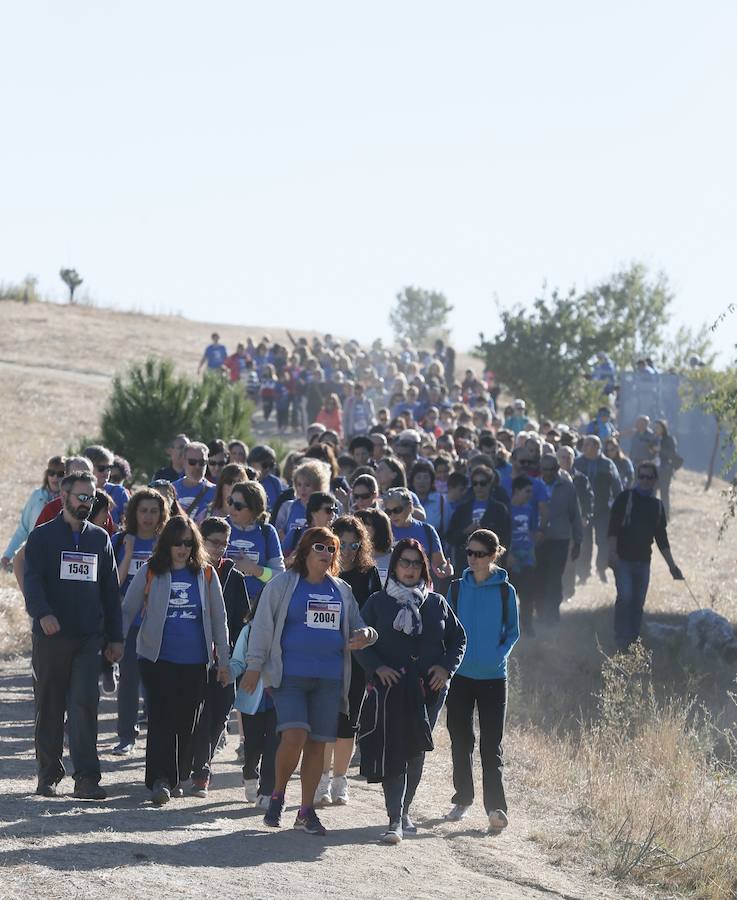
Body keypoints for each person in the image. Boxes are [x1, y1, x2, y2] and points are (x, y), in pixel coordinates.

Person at [240, 527, 377, 836]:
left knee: (317, 745)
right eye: (320, 547)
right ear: (304, 551)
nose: (327, 553)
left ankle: (305, 812)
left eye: (332, 548)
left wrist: (367, 635)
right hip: (290, 676)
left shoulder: (341, 590)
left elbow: (360, 627)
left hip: (329, 679)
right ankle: (277, 794)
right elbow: (262, 626)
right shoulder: (282, 585)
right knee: (295, 735)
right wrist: (254, 666)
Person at [356, 539, 466, 844]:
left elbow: (458, 639)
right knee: (395, 750)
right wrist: (376, 667)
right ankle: (394, 819)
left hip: (429, 690)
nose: (410, 568)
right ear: (394, 567)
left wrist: (445, 668)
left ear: (424, 568)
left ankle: (404, 811)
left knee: (416, 749)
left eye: (416, 563)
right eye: (404, 562)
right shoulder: (378, 602)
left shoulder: (436, 603)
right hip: (391, 689)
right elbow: (358, 641)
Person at [23, 471, 123, 799]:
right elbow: (32, 579)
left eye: (90, 498)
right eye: (81, 497)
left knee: (84, 704)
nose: (86, 503)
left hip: (88, 638)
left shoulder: (99, 539)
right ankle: (48, 774)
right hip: (51, 637)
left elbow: (110, 591)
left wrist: (115, 636)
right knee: (49, 706)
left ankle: (87, 778)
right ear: (64, 497)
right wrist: (42, 613)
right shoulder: (42, 537)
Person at [121, 516, 230, 805]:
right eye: (176, 543)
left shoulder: (206, 574)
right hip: (156, 658)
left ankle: (177, 775)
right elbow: (127, 609)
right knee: (160, 718)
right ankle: (160, 779)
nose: (182, 548)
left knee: (187, 723)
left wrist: (224, 661)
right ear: (165, 544)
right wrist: (115, 643)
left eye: (187, 543)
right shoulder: (151, 571)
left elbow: (219, 620)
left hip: (195, 661)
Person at [444, 529, 519, 832]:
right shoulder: (457, 589)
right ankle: (463, 798)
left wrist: (497, 656)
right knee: (460, 740)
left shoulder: (506, 591)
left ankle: (496, 809)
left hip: (493, 678)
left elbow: (512, 631)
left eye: (479, 554)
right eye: (469, 553)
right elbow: (447, 627)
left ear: (492, 555)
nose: (472, 558)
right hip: (459, 676)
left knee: (491, 746)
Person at [315, 516, 382, 807]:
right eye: (343, 545)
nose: (349, 551)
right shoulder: (320, 573)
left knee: (348, 721)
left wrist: (367, 636)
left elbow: (376, 614)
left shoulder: (369, 573)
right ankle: (321, 780)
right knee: (324, 721)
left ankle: (340, 780)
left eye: (356, 545)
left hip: (357, 658)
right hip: (323, 657)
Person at [190, 517, 251, 797]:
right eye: (214, 543)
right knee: (200, 713)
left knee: (222, 709)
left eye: (225, 545)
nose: (220, 550)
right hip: (193, 656)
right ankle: (201, 770)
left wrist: (234, 657)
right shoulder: (190, 571)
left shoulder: (233, 576)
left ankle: (203, 759)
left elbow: (241, 622)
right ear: (201, 541)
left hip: (225, 658)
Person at [111, 487, 170, 755]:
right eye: (143, 510)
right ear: (133, 512)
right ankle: (126, 735)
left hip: (161, 624)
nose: (148, 516)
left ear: (162, 514)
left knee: (158, 683)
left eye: (154, 511)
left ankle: (160, 736)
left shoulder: (169, 543)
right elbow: (112, 585)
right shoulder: (119, 540)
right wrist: (129, 551)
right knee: (129, 681)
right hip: (128, 623)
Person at [608, 462, 684, 650]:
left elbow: (662, 540)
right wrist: (612, 553)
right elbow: (612, 529)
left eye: (649, 477)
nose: (644, 480)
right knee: (625, 597)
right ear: (637, 478)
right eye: (641, 476)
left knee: (637, 603)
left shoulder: (657, 506)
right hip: (623, 560)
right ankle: (621, 641)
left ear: (655, 481)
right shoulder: (625, 499)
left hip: (643, 562)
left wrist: (672, 566)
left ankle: (632, 641)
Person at [536, 456, 582, 624]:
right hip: (539, 540)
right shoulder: (534, 486)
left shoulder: (567, 487)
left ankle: (553, 614)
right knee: (540, 577)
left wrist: (578, 541)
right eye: (544, 469)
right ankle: (540, 613)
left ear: (557, 469)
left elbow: (575, 515)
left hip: (560, 539)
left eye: (551, 469)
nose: (547, 472)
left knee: (555, 577)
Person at [224, 481, 285, 602]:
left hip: (257, 604)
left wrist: (254, 569)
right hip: (224, 602)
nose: (231, 508)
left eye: (238, 506)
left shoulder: (267, 532)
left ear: (253, 509)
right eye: (230, 501)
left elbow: (280, 576)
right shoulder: (220, 527)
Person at [573, 436, 622, 585]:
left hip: (603, 510)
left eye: (587, 445)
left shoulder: (607, 464)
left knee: (604, 541)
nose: (584, 447)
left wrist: (617, 505)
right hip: (584, 510)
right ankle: (583, 574)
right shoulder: (577, 463)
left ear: (596, 446)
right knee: (585, 542)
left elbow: (617, 486)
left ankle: (601, 568)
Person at [2, 455, 65, 571]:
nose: (55, 477)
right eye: (51, 472)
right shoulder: (37, 496)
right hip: (35, 555)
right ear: (47, 474)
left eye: (61, 474)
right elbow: (23, 529)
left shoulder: (70, 501)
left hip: (59, 559)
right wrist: (7, 555)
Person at [445, 467, 511, 575]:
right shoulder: (462, 509)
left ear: (490, 484)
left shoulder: (499, 509)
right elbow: (450, 536)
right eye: (475, 483)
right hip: (465, 566)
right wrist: (465, 531)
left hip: (491, 566)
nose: (478, 487)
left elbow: (506, 538)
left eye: (483, 483)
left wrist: (486, 533)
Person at [383, 488, 453, 582]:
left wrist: (446, 569)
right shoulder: (384, 530)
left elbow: (440, 563)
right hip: (391, 589)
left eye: (397, 510)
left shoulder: (427, 530)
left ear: (410, 507)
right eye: (388, 512)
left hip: (422, 590)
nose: (392, 515)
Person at [274, 459, 330, 540]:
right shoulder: (288, 507)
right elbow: (277, 533)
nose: (302, 489)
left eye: (307, 485)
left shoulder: (325, 508)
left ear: (318, 486)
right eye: (299, 484)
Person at [84, 444, 130, 528]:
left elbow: (131, 524)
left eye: (109, 468)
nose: (107, 472)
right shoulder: (76, 493)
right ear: (88, 467)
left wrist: (116, 528)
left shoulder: (119, 493)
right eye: (101, 468)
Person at [281, 492, 339, 557]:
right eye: (328, 510)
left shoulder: (335, 538)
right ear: (314, 513)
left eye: (334, 510)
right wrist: (291, 560)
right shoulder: (296, 534)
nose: (333, 515)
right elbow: (279, 562)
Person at [172, 442, 217, 524]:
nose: (198, 466)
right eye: (192, 462)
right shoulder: (171, 490)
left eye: (202, 462)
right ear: (183, 461)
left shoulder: (216, 492)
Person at [355, 508, 394, 582]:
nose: (359, 528)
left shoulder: (396, 558)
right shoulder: (353, 557)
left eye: (365, 524)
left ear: (379, 529)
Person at [654, 419, 680, 520]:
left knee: (664, 493)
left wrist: (660, 450)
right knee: (652, 492)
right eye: (655, 427)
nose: (656, 429)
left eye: (658, 427)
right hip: (654, 469)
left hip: (665, 469)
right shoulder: (654, 438)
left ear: (663, 428)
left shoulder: (669, 439)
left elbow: (672, 454)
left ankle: (665, 516)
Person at [247, 445, 284, 511]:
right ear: (251, 463)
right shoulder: (243, 480)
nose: (268, 469)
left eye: (271, 465)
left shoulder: (275, 482)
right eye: (265, 465)